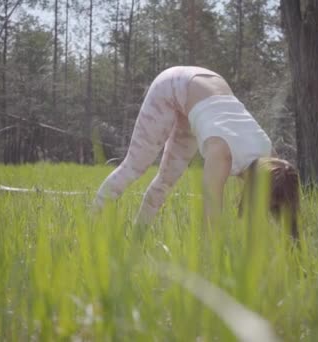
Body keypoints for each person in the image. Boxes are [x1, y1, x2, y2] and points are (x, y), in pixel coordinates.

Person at [91, 66, 300, 239]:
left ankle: (136, 241)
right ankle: (89, 227)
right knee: (134, 167)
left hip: (209, 87)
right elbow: (210, 224)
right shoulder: (222, 154)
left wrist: (294, 247)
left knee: (166, 181)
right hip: (173, 84)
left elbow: (286, 219)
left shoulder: (273, 162)